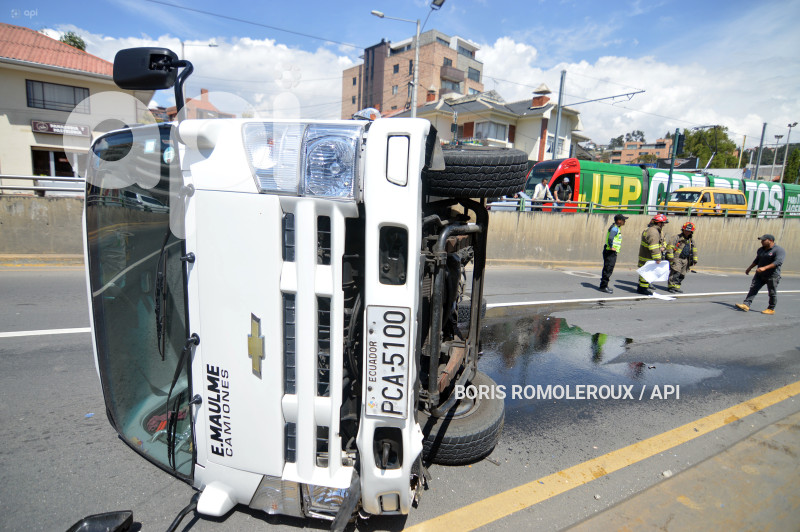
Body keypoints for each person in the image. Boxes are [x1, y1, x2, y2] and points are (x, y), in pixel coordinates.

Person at [735, 234, 785, 315]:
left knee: (772, 292)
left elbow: (778, 262)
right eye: (761, 240)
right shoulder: (761, 250)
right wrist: (749, 268)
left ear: (770, 241)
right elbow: (757, 260)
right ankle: (746, 304)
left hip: (772, 276)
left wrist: (764, 268)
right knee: (753, 288)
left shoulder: (779, 250)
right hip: (760, 274)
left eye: (763, 240)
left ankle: (771, 309)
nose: (761, 242)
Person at [637, 213, 668, 295]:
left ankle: (642, 287)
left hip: (646, 255)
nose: (664, 225)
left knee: (645, 273)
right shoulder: (653, 232)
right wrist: (657, 258)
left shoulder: (654, 230)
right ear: (658, 223)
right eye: (663, 223)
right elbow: (653, 246)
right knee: (646, 273)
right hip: (647, 256)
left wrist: (663, 247)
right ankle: (642, 289)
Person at [599, 213, 628, 293]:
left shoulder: (616, 228)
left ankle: (604, 285)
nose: (624, 221)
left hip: (610, 251)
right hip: (610, 252)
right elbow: (610, 238)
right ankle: (603, 286)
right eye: (623, 220)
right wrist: (611, 246)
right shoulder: (615, 229)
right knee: (608, 269)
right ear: (619, 221)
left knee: (608, 268)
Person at [666, 221, 698, 293]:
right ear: (683, 230)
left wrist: (694, 259)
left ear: (691, 232)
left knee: (682, 274)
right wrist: (671, 258)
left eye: (689, 231)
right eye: (686, 230)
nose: (687, 232)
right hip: (677, 258)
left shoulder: (691, 240)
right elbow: (670, 247)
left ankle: (677, 287)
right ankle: (671, 287)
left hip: (686, 259)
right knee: (675, 272)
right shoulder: (676, 238)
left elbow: (694, 250)